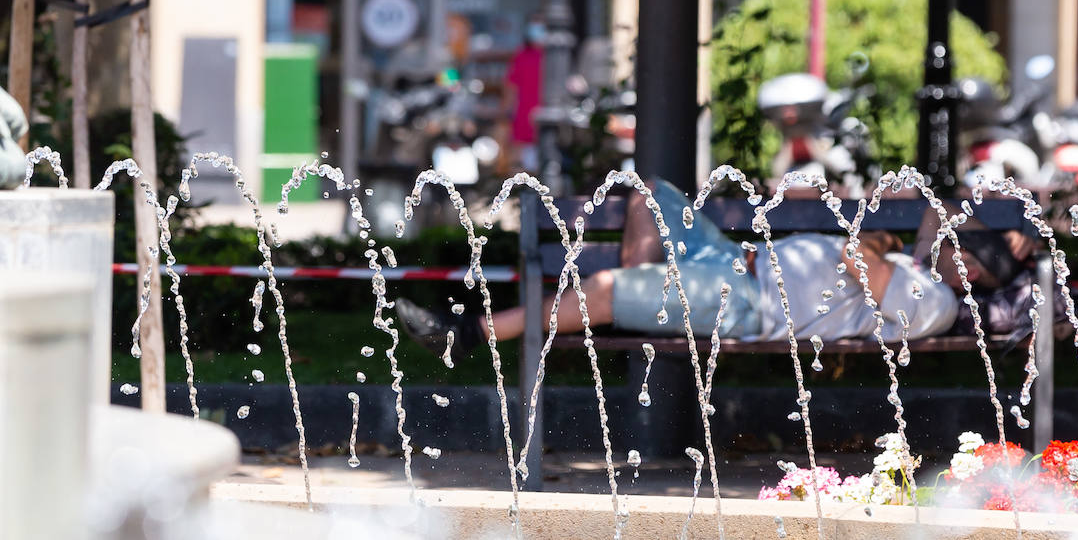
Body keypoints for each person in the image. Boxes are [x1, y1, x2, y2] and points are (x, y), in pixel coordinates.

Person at [397, 180, 1030, 362]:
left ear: (968, 270)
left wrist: (871, 238)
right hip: (729, 261)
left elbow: (858, 263)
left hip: (749, 304)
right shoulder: (923, 267)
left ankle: (475, 334)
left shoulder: (937, 301)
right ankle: (633, 308)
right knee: (651, 192)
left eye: (958, 245)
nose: (945, 239)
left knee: (610, 288)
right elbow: (929, 214)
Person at [503, 19, 545, 170]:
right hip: (523, 117)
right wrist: (507, 112)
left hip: (545, 118)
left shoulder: (552, 57)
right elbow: (511, 86)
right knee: (519, 166)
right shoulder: (522, 55)